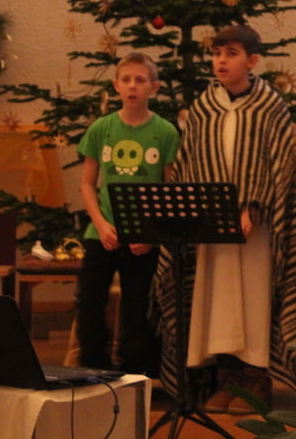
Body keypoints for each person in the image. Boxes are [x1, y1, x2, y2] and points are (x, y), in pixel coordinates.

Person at [158, 25, 296, 414]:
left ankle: (256, 380)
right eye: (217, 53)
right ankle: (227, 377)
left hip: (256, 228)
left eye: (231, 53)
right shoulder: (203, 107)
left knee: (254, 301)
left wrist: (254, 205)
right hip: (213, 225)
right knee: (217, 302)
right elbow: (191, 161)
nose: (221, 60)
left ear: (252, 61)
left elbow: (281, 164)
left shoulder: (270, 106)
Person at [76, 52, 180, 375]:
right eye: (126, 80)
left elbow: (170, 191)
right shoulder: (101, 129)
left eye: (140, 80)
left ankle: (136, 372)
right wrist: (100, 224)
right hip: (103, 231)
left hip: (143, 238)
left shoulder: (165, 132)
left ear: (154, 87)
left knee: (138, 306)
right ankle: (93, 368)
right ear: (116, 86)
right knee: (90, 301)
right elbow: (87, 184)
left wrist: (151, 234)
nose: (132, 86)